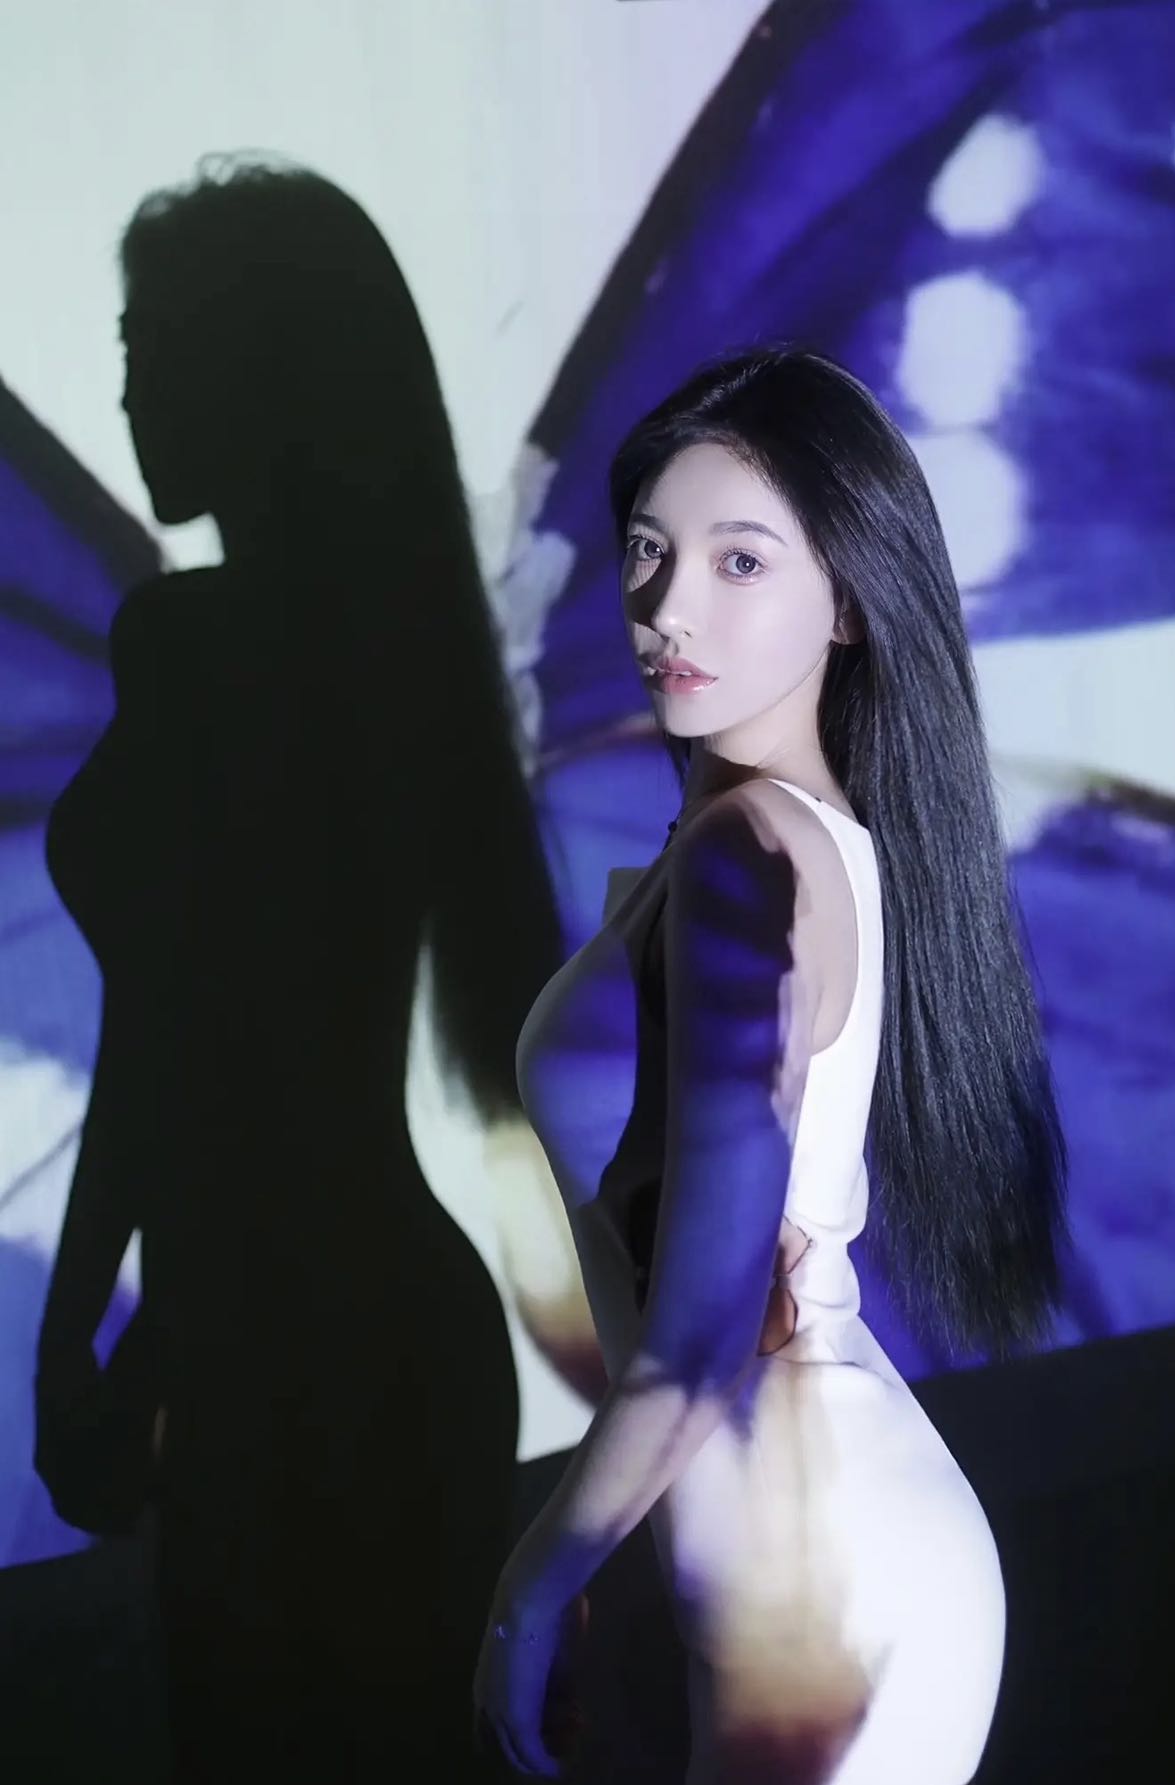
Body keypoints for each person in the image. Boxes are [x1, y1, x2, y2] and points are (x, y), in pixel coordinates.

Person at [34, 157, 560, 1782]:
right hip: (360, 1337)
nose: (130, 392)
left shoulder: (199, 653)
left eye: (154, 348)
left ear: (249, 368)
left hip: (289, 1361)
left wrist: (93, 1345)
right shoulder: (387, 663)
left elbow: (181, 1052)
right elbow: (185, 1041)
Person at [473, 346, 1066, 1783]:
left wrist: (528, 1595)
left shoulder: (753, 858)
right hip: (790, 1530)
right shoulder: (758, 840)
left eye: (741, 560)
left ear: (848, 600)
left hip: (824, 1565)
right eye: (649, 552)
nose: (670, 607)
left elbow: (703, 1328)